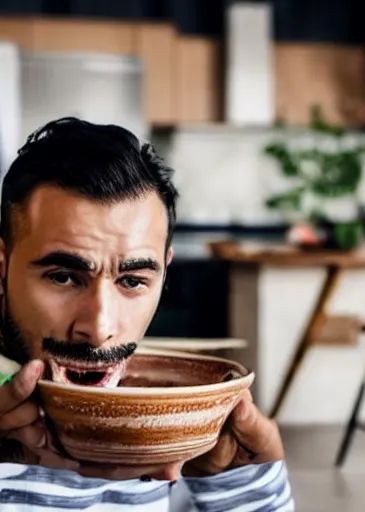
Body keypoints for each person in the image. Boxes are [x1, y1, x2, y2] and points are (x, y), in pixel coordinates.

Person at [0, 117, 294, 511]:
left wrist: (248, 486)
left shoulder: (179, 439)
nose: (100, 329)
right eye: (63, 277)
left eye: (133, 281)